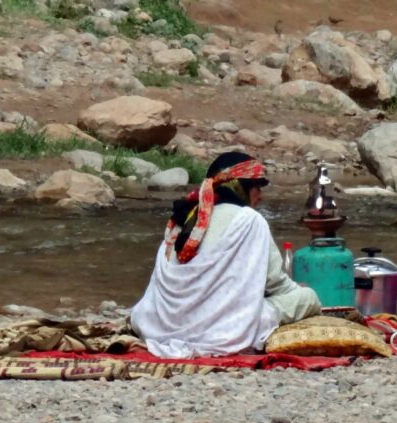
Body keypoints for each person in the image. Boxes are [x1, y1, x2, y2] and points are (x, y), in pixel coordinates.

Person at [131, 152, 321, 358]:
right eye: (256, 187)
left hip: (160, 326)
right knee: (308, 297)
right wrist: (298, 289)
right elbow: (275, 283)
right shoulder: (249, 221)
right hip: (222, 330)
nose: (261, 195)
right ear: (239, 187)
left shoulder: (182, 217)